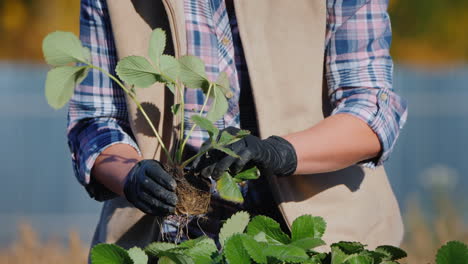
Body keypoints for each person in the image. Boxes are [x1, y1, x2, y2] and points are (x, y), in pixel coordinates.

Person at [68, 0, 408, 252]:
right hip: (173, 243)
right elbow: (96, 121)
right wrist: (131, 176)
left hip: (315, 240)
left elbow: (371, 111)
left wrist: (280, 152)